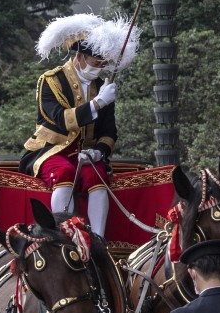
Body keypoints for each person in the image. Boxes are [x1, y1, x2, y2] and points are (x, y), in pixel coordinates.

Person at [20, 14, 139, 237]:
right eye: (96, 63)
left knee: (98, 174)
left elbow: (109, 132)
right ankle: (61, 235)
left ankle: (98, 240)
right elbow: (61, 119)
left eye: (104, 65)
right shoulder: (51, 81)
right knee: (64, 172)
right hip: (51, 150)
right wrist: (98, 102)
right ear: (80, 57)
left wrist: (98, 152)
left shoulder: (101, 85)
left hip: (85, 155)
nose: (99, 68)